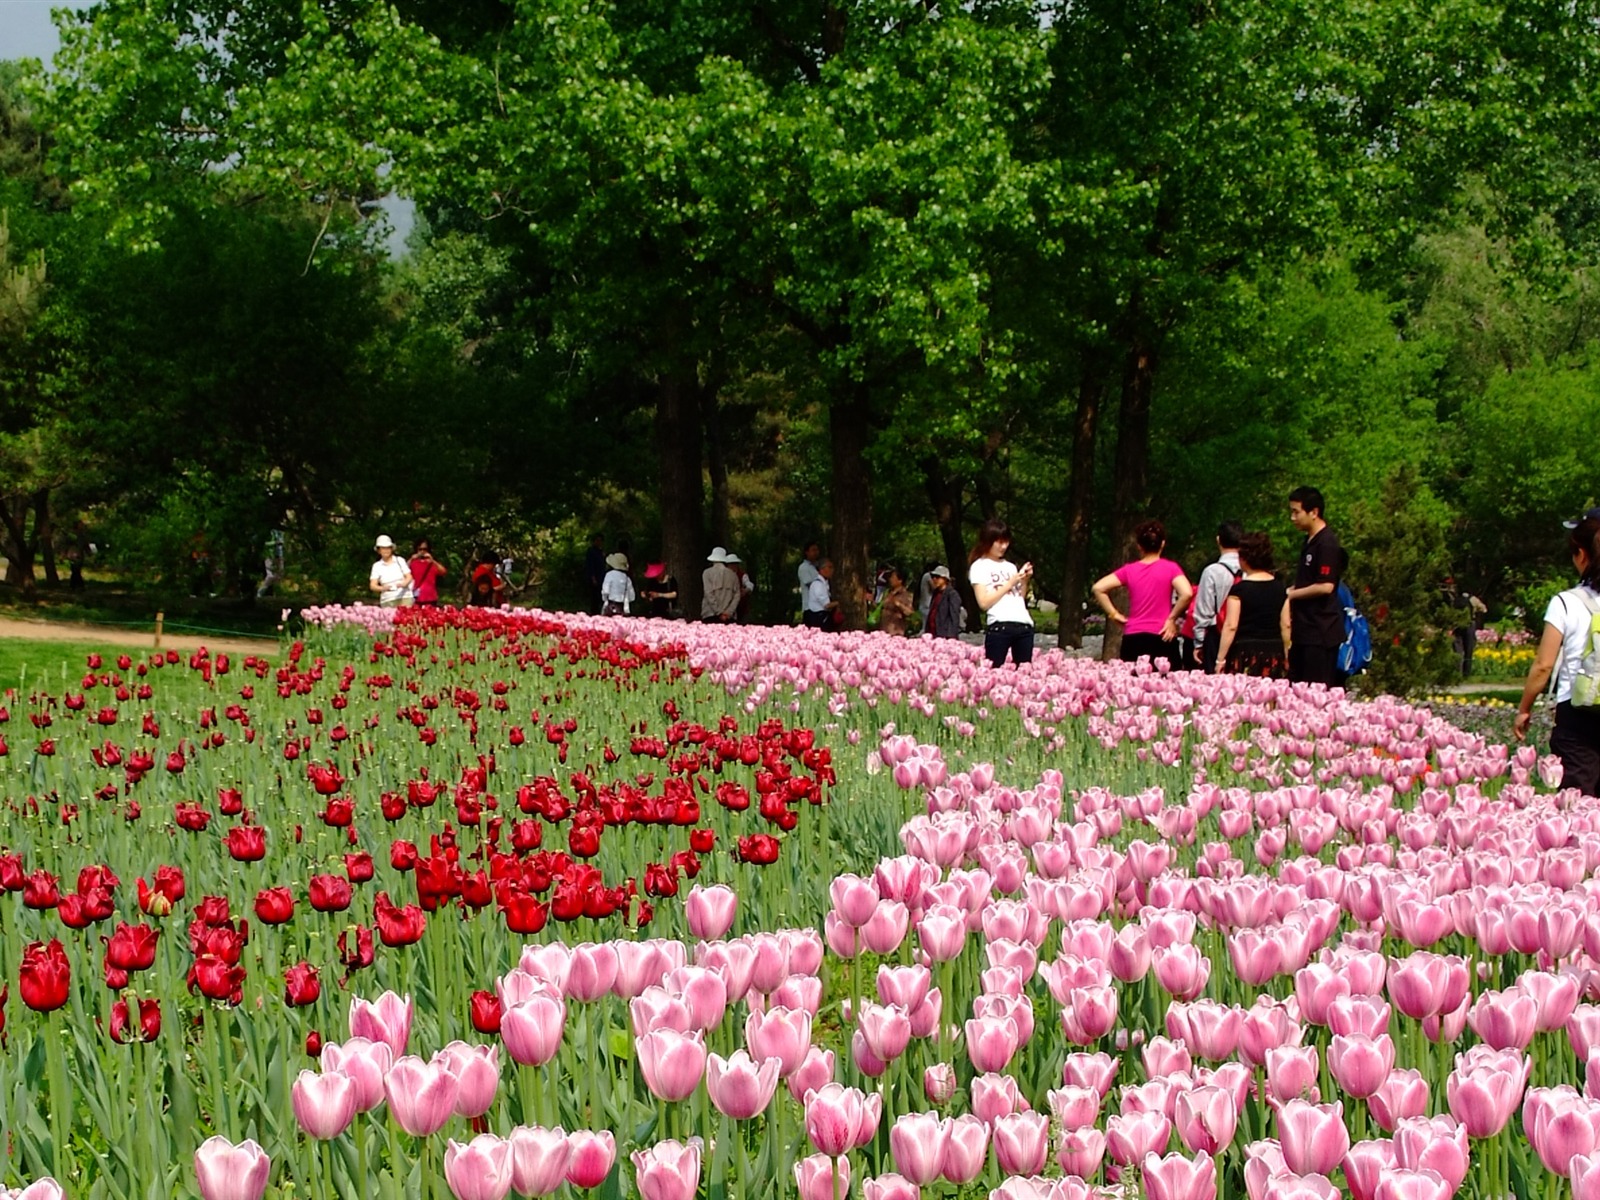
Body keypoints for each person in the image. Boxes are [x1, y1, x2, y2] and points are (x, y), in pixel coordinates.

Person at [1514, 511, 1600, 795]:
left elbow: (1543, 665)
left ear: (1581, 555)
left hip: (1577, 713)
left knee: (1579, 796)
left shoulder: (1566, 602)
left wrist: (1524, 709)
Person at [1092, 520, 1193, 666]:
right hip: (1163, 634)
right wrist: (1171, 619)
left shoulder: (1128, 570)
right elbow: (1187, 593)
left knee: (1133, 686)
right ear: (1162, 544)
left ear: (1139, 546)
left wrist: (1114, 614)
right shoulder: (1171, 568)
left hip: (1133, 636)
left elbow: (1098, 588)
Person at [1284, 486, 1344, 686]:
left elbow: (1326, 586)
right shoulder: (1309, 541)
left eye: (1296, 512)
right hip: (1303, 628)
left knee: (1315, 689)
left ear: (1314, 512)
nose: (1292, 517)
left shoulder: (1327, 543)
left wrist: (1291, 594)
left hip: (1320, 630)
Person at [1212, 532, 1291, 677]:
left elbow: (1231, 625)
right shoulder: (1280, 588)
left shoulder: (1239, 590)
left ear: (1244, 559)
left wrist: (1220, 659)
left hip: (1245, 650)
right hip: (1274, 649)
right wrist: (1287, 653)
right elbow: (1286, 624)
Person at [968, 519, 1035, 667]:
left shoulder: (1010, 566)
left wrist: (1024, 580)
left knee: (1025, 677)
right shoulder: (979, 566)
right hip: (1000, 626)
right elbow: (983, 603)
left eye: (1006, 542)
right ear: (987, 541)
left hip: (1023, 624)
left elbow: (1019, 599)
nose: (1004, 546)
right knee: (993, 673)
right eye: (999, 542)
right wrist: (1009, 584)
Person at [1192, 521, 1244, 672]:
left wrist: (1199, 643)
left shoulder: (1211, 572)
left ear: (1218, 540)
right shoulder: (1251, 569)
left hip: (1216, 634)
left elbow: (1203, 610)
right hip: (1243, 634)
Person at [369, 535, 414, 607]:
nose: (386, 550)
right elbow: (373, 585)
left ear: (392, 549)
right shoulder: (377, 566)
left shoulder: (400, 560)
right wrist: (383, 588)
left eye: (388, 548)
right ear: (379, 550)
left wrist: (404, 584)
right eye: (383, 548)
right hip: (387, 599)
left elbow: (409, 576)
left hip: (404, 597)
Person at [702, 547, 742, 622]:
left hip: (710, 614)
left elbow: (708, 593)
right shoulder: (733, 575)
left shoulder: (707, 573)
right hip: (729, 617)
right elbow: (737, 596)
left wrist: (719, 612)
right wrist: (728, 612)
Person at [803, 559, 843, 630]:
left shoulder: (824, 583)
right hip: (819, 617)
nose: (832, 570)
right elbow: (827, 605)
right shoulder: (818, 585)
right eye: (829, 567)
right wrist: (839, 603)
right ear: (822, 569)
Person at [877, 567, 915, 636]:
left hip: (895, 631)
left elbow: (909, 612)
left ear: (900, 580)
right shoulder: (888, 592)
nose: (890, 579)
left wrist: (898, 604)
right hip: (883, 630)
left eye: (893, 577)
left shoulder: (906, 595)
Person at [409, 539, 447, 607]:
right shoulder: (413, 563)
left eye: (425, 549)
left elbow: (443, 572)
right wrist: (411, 559)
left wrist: (433, 561)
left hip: (430, 597)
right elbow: (402, 572)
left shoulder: (432, 564)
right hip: (416, 598)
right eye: (420, 549)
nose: (422, 552)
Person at [928, 566, 962, 638]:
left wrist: (951, 638)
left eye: (937, 577)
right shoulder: (936, 593)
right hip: (933, 634)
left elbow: (954, 618)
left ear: (945, 579)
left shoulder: (952, 595)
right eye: (933, 577)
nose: (934, 579)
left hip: (944, 636)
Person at [725, 552, 756, 622]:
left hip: (741, 607)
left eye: (734, 564)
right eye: (731, 564)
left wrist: (745, 590)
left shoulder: (742, 575)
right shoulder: (724, 576)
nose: (733, 566)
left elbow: (750, 584)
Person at [584, 534, 607, 614]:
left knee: (601, 597)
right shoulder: (591, 551)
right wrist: (593, 578)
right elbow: (590, 565)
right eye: (597, 540)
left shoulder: (602, 551)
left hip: (602, 577)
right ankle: (594, 613)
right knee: (594, 598)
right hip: (594, 577)